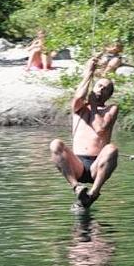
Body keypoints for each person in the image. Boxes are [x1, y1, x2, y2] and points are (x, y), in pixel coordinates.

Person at [50, 55, 119, 209]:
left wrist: (94, 106)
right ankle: (76, 187)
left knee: (112, 149)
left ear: (109, 95)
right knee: (56, 144)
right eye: (99, 85)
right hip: (77, 164)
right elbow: (79, 96)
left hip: (97, 165)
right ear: (93, 88)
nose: (101, 89)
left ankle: (93, 193)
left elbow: (101, 129)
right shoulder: (79, 107)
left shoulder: (111, 108)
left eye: (105, 88)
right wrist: (89, 72)